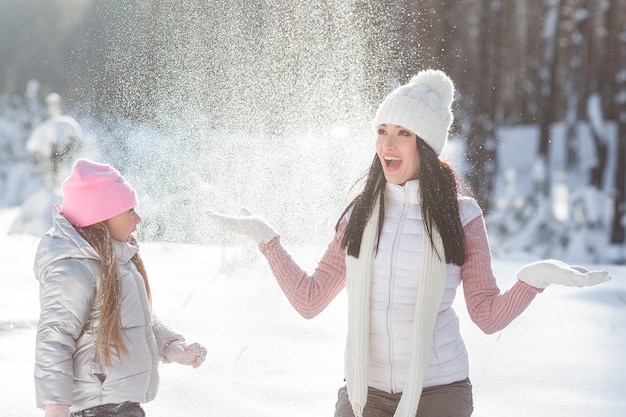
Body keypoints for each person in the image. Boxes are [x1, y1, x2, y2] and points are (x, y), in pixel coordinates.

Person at [206, 69, 611, 417]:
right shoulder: (358, 216)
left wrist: (532, 280)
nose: (388, 144)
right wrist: (268, 240)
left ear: (427, 146)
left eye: (403, 133)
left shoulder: (462, 217)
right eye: (382, 131)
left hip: (440, 391)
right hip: (364, 393)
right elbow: (310, 300)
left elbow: (486, 316)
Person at [34, 159, 208, 417]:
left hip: (122, 405)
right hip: (97, 407)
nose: (138, 219)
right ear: (101, 218)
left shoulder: (118, 260)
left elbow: (134, 319)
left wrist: (170, 346)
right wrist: (55, 406)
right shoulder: (74, 269)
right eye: (129, 211)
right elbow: (55, 338)